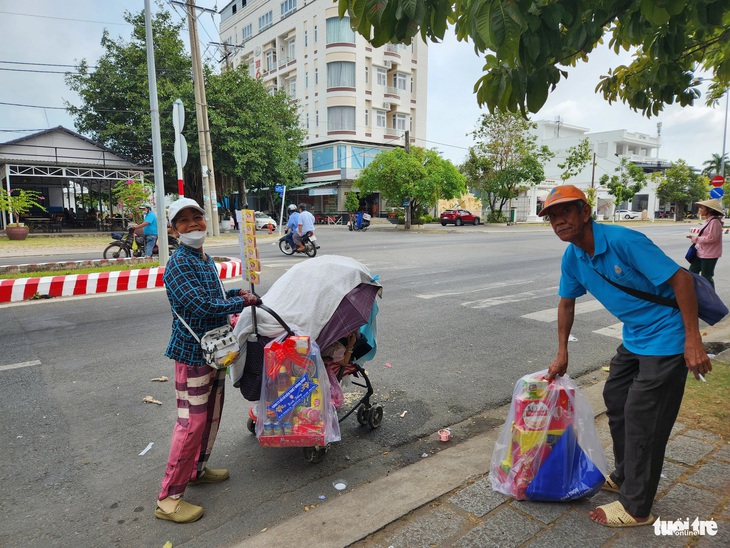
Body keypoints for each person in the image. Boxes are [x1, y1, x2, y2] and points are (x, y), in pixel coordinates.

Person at [540, 185, 711, 528]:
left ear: (585, 213)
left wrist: (693, 340)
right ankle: (626, 473)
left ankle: (637, 507)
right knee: (616, 397)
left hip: (667, 336)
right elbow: (566, 302)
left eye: (566, 212)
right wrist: (562, 353)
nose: (559, 221)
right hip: (635, 336)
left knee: (644, 417)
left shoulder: (624, 241)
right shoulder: (573, 257)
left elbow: (682, 281)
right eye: (552, 216)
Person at [156, 197, 260, 523]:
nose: (193, 225)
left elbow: (214, 298)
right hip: (191, 353)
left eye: (196, 218)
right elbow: (200, 306)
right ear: (174, 230)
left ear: (205, 220)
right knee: (192, 423)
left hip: (215, 351)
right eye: (183, 221)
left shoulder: (203, 258)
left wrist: (237, 296)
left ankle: (197, 469)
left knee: (212, 416)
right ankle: (169, 499)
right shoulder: (179, 264)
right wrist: (237, 306)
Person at [687, 198, 724, 288]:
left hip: (710, 254)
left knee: (707, 277)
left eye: (702, 208)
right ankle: (696, 293)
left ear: (709, 210)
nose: (700, 210)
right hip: (701, 252)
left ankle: (712, 298)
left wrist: (696, 239)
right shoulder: (709, 221)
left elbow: (712, 238)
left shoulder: (714, 222)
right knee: (692, 272)